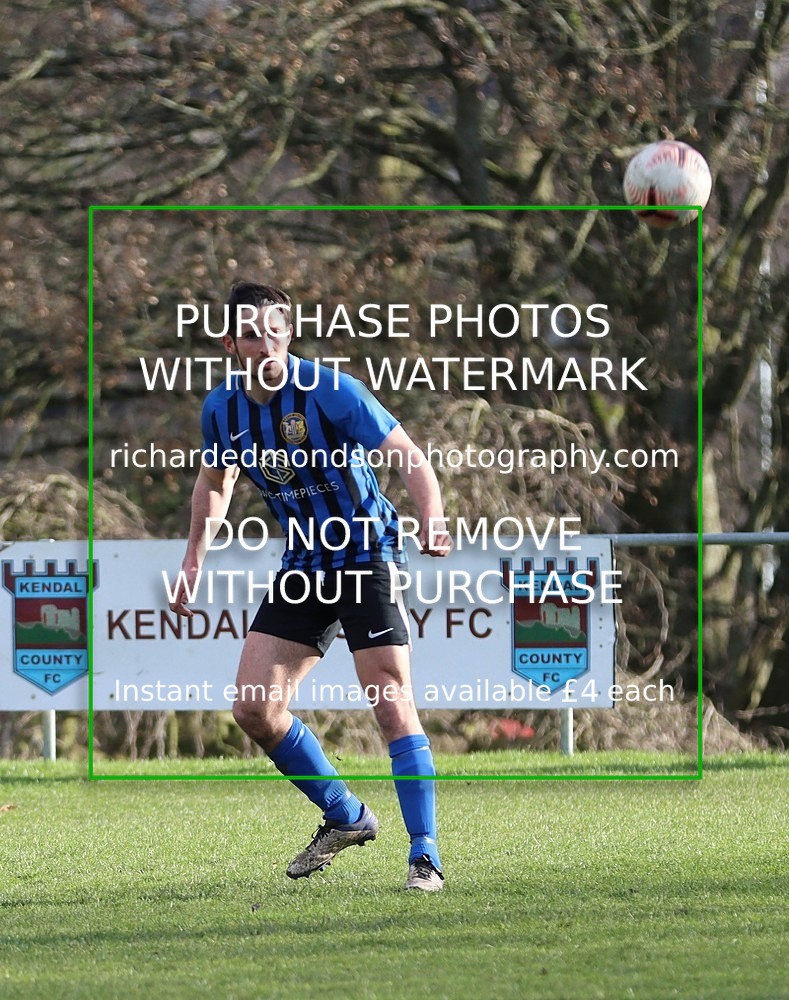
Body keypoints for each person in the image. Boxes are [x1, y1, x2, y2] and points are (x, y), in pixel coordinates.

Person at [170, 280, 452, 891]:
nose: (265, 342)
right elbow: (215, 485)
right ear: (230, 343)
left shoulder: (332, 391)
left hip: (364, 553)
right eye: (251, 333)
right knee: (253, 708)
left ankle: (424, 857)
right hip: (305, 565)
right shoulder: (222, 410)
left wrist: (431, 515)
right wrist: (194, 556)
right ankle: (346, 815)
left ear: (288, 333)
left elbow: (408, 455)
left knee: (389, 701)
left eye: (275, 330)